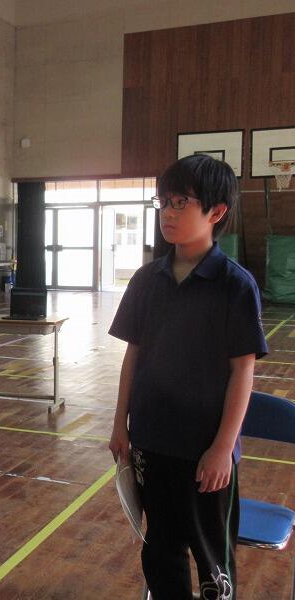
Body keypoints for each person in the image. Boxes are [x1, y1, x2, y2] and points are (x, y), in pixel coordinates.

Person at [108, 155, 267, 600]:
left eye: (181, 202)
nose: (168, 213)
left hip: (204, 453)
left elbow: (243, 370)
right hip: (151, 443)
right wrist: (120, 424)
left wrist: (222, 448)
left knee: (213, 562)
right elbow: (133, 355)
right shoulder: (146, 280)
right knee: (161, 552)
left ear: (216, 212)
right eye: (163, 202)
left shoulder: (234, 285)